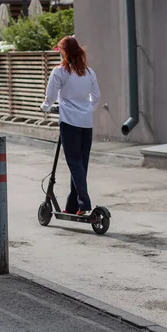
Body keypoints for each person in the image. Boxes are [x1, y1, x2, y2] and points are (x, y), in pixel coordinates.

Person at [41, 36, 100, 216]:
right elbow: (96, 97)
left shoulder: (59, 72)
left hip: (69, 122)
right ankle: (73, 206)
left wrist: (44, 108)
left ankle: (84, 203)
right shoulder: (89, 72)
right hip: (86, 123)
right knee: (81, 164)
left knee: (74, 163)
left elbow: (50, 96)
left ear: (64, 53)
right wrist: (87, 110)